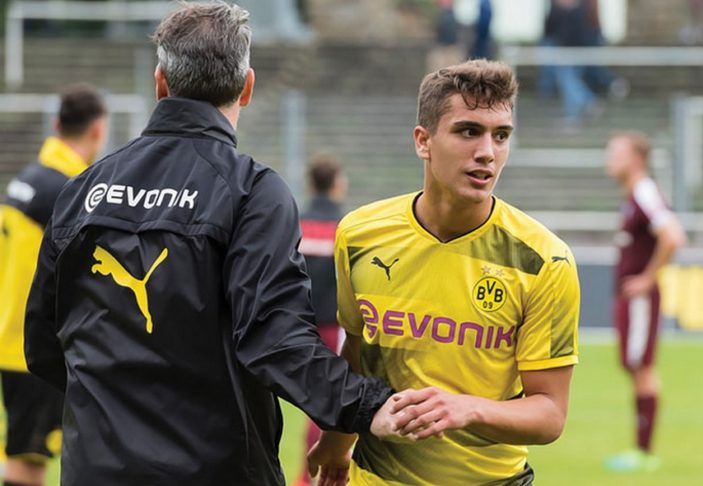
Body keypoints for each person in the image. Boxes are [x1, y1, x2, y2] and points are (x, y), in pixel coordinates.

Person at [23, 2, 417, 485]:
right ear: (247, 87)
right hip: (214, 468)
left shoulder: (83, 190)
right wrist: (368, 405)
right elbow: (275, 339)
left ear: (160, 83)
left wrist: (116, 408)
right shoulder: (251, 191)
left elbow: (43, 342)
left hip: (96, 468)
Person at [308, 59, 581, 485]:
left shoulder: (544, 261)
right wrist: (337, 440)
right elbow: (358, 354)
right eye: (469, 131)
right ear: (423, 141)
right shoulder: (360, 235)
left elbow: (549, 413)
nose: (487, 152)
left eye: (501, 135)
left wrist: (468, 408)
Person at [0, 83, 108, 486]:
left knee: (25, 453)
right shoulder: (70, 193)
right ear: (98, 129)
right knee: (28, 463)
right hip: (37, 348)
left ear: (55, 124)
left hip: (12, 339)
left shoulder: (27, 180)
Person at [604, 131, 686, 472]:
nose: (609, 159)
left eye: (616, 152)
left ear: (636, 158)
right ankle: (641, 451)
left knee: (642, 368)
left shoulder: (645, 192)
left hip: (640, 299)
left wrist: (647, 279)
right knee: (634, 366)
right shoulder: (633, 195)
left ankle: (644, 453)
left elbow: (673, 237)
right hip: (631, 298)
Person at [294, 155, 348, 486]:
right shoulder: (346, 227)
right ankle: (309, 477)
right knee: (325, 405)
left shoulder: (295, 224)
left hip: (294, 327)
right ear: (338, 184)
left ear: (311, 184)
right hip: (332, 329)